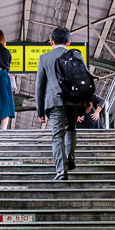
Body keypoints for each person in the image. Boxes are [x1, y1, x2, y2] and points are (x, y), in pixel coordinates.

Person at [36, 26, 85, 180]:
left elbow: (40, 86)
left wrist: (40, 111)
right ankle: (70, 158)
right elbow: (83, 79)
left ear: (51, 41)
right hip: (73, 101)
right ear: (69, 42)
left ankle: (61, 170)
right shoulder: (77, 55)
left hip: (55, 101)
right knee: (70, 129)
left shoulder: (45, 58)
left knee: (57, 135)